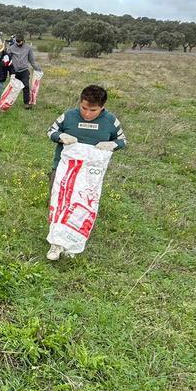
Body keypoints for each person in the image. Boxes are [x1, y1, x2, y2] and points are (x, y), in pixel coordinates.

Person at [45, 85, 127, 260]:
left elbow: (122, 140)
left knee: (81, 207)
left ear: (102, 107)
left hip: (90, 175)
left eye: (93, 110)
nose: (87, 114)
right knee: (59, 203)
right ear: (79, 102)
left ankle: (73, 242)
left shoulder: (111, 121)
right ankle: (55, 243)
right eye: (84, 108)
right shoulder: (68, 116)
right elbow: (51, 131)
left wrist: (113, 145)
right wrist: (59, 137)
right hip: (63, 169)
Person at [6, 35, 42, 109]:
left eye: (19, 42)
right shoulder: (11, 48)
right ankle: (8, 103)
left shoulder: (28, 48)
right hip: (14, 71)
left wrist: (37, 69)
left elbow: (31, 60)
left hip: (24, 71)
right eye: (17, 42)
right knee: (13, 88)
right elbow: (7, 59)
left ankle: (26, 103)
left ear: (23, 41)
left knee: (26, 86)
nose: (18, 43)